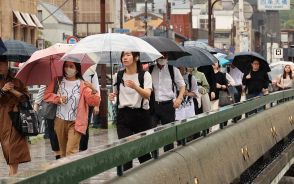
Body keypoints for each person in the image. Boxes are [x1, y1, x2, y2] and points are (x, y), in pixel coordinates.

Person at [44, 61, 100, 158]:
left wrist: (93, 90)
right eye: (66, 66)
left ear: (77, 69)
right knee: (63, 153)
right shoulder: (57, 80)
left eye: (71, 66)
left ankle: (72, 172)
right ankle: (64, 172)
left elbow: (93, 102)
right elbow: (46, 95)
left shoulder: (83, 84)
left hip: (76, 122)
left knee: (71, 151)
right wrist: (58, 98)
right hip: (59, 120)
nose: (68, 68)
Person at [109, 51, 153, 171]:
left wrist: (135, 87)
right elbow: (116, 93)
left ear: (136, 57)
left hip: (141, 115)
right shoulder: (118, 75)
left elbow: (147, 95)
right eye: (123, 55)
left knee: (142, 152)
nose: (125, 57)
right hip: (123, 116)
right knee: (126, 151)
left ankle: (150, 176)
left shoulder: (145, 75)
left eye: (128, 55)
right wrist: (112, 96)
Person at [149, 52, 185, 151]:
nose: (162, 58)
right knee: (150, 132)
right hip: (153, 105)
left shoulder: (173, 70)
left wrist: (179, 98)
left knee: (169, 134)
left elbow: (182, 85)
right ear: (156, 57)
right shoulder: (150, 69)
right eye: (160, 56)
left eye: (165, 56)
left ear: (168, 57)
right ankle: (152, 155)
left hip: (168, 105)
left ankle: (168, 156)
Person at [0, 61, 31, 175]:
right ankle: (12, 173)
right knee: (6, 147)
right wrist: (3, 90)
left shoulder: (17, 79)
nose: (0, 66)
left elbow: (26, 97)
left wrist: (13, 90)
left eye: (2, 63)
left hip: (17, 117)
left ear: (7, 64)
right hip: (2, 119)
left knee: (13, 146)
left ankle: (13, 174)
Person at [34, 85, 61, 159]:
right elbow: (43, 88)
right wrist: (36, 104)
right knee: (53, 132)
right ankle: (58, 155)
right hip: (51, 107)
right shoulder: (51, 77)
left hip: (65, 108)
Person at [80, 66, 100, 151]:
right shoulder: (74, 71)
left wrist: (97, 105)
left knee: (85, 126)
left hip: (89, 102)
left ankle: (83, 148)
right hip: (77, 102)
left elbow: (96, 89)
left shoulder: (92, 72)